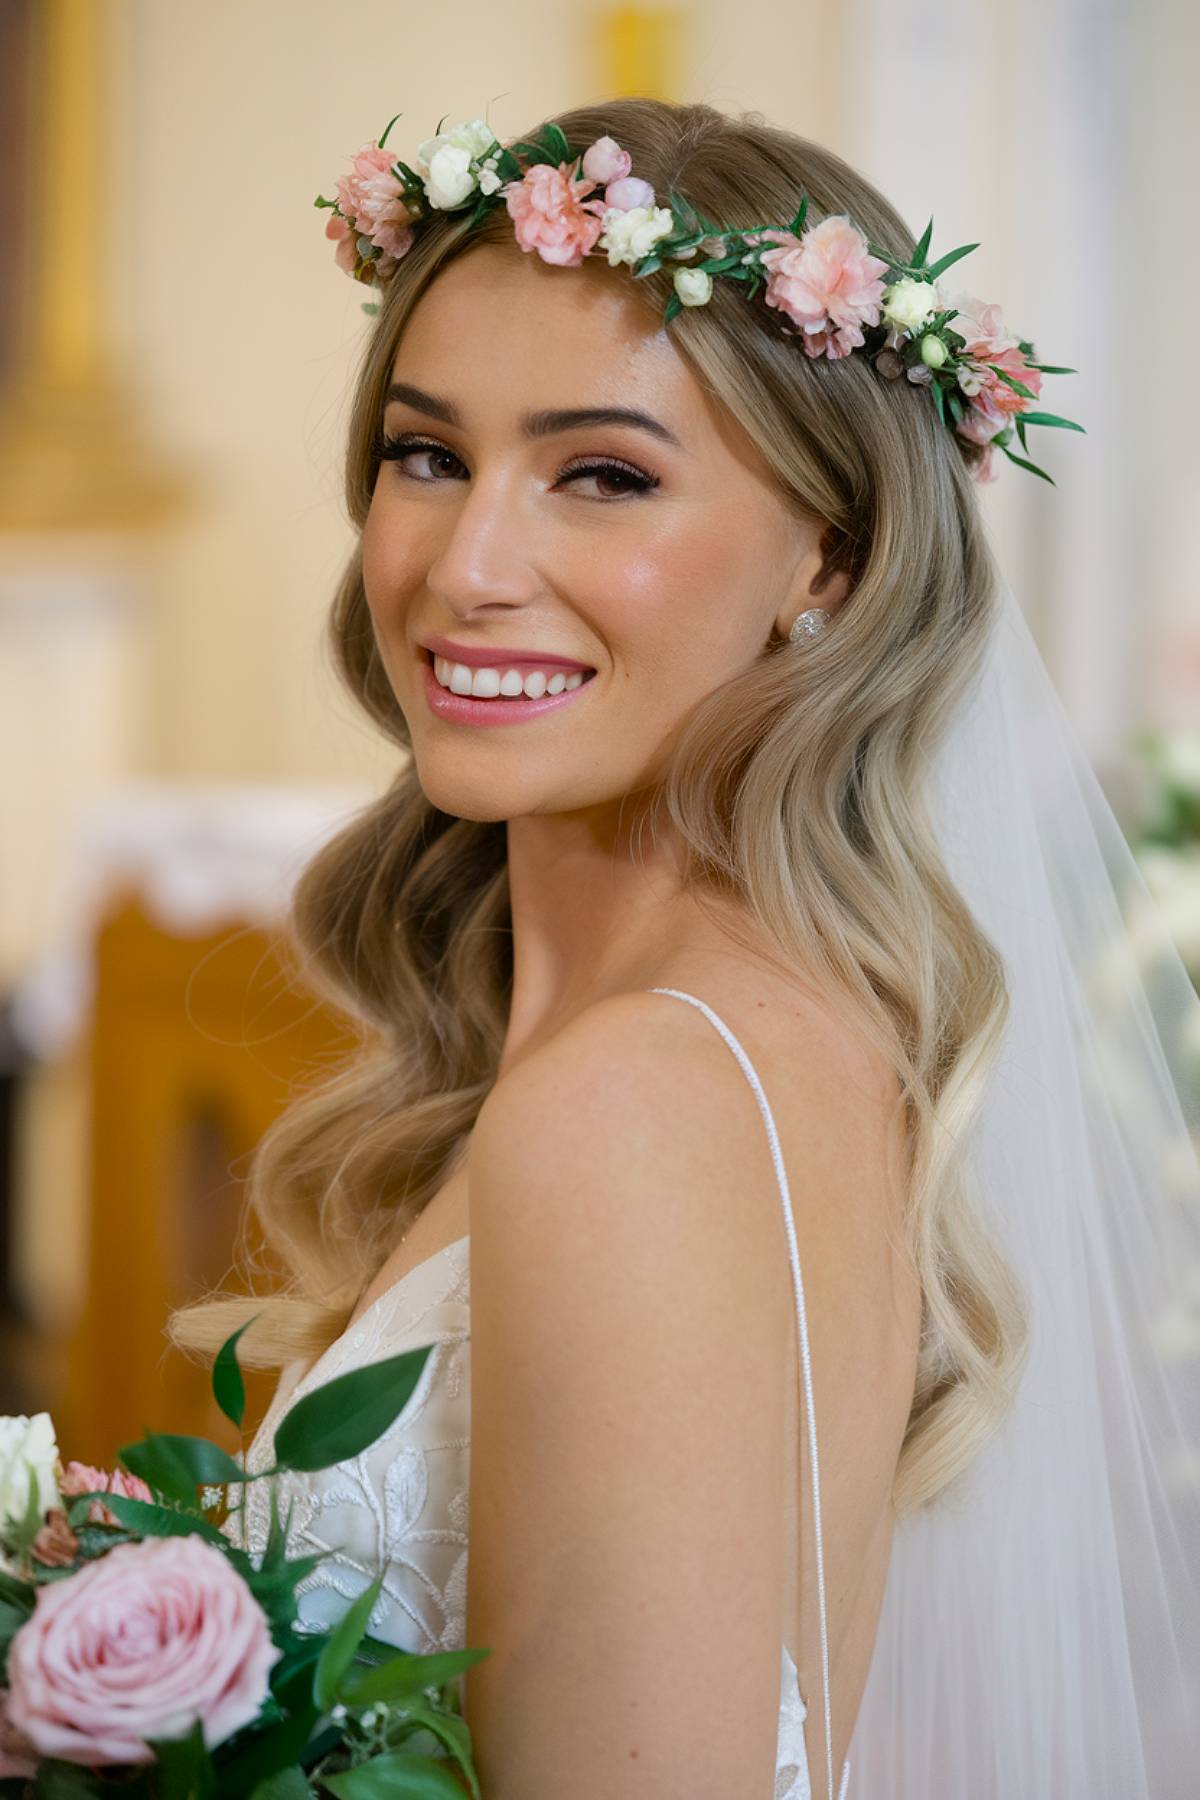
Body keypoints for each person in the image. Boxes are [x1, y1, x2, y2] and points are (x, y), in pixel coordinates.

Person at [170, 97, 1200, 1797]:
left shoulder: (634, 1106)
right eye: (428, 454)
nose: (462, 565)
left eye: (601, 476)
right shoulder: (781, 1035)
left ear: (833, 560)